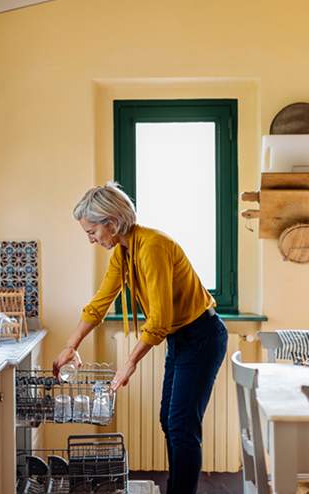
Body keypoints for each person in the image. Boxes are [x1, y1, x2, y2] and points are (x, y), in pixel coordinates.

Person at [52, 181, 228, 494]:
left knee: (181, 426)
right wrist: (70, 345)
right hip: (182, 339)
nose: (91, 240)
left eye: (92, 232)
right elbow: (100, 304)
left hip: (202, 336)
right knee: (169, 420)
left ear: (112, 223)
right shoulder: (124, 252)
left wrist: (129, 362)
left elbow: (160, 319)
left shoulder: (152, 246)